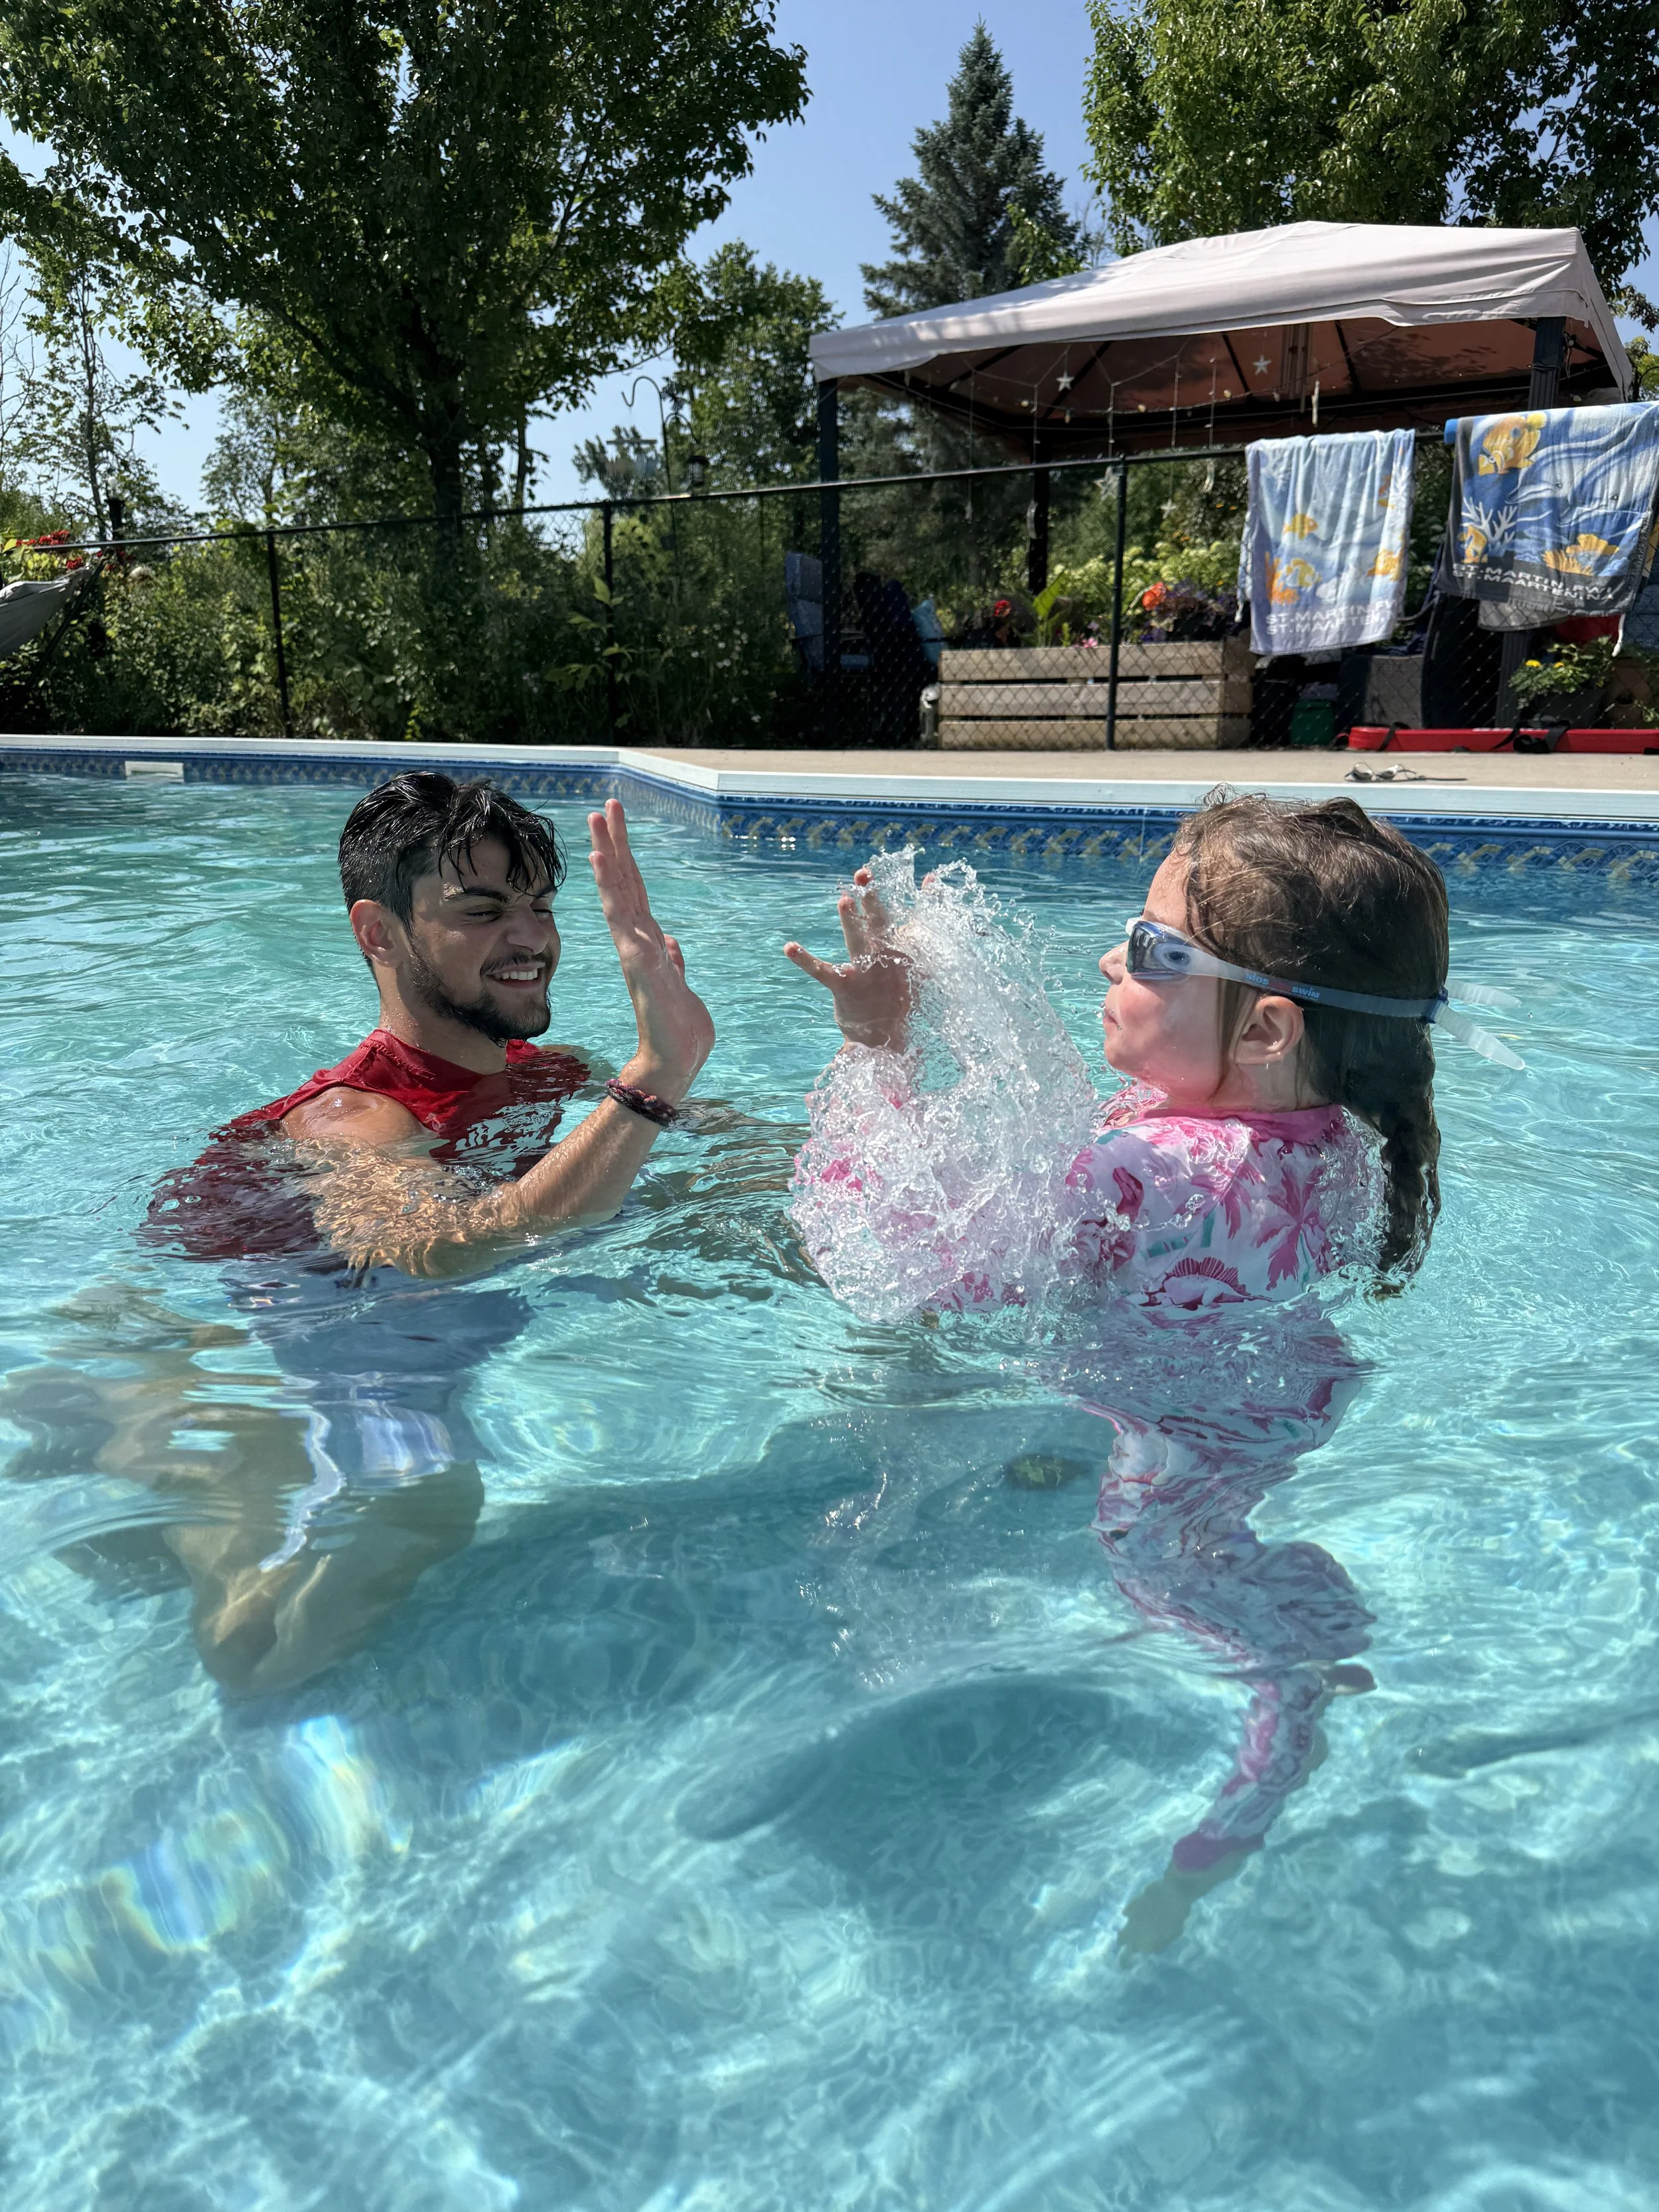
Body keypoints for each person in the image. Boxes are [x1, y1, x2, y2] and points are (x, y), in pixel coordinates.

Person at [783, 792, 1480, 1948]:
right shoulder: (1344, 1142)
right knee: (1195, 1525)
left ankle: (1290, 1669)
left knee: (1154, 1563)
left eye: (1156, 952)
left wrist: (881, 1051)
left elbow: (896, 1253)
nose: (1113, 956)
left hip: (1183, 1411)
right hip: (1280, 1385)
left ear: (1265, 1031)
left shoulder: (1141, 1174)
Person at [116, 772, 714, 1695]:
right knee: (382, 1539)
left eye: (540, 906)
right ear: (378, 933)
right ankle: (215, 1505)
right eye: (482, 911)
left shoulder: (552, 1075)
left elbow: (743, 1162)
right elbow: (435, 1246)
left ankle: (232, 1470)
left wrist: (878, 1049)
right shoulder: (348, 1120)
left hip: (446, 1308)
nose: (531, 939)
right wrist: (652, 1080)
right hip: (312, 1307)